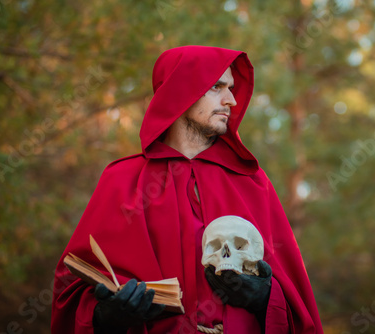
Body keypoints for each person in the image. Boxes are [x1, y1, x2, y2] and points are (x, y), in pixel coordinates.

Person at [51, 45, 323, 334]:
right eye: (217, 86)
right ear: (180, 91)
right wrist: (107, 315)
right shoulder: (122, 180)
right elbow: (72, 289)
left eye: (231, 88)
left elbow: (296, 298)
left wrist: (266, 297)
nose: (231, 99)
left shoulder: (252, 182)